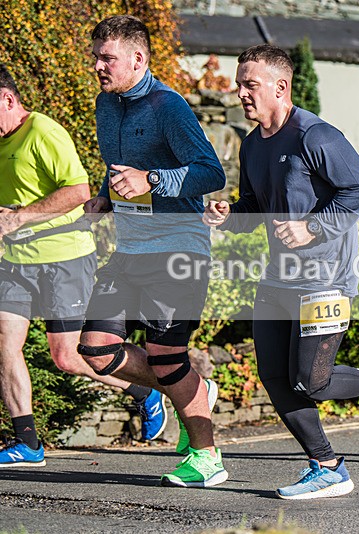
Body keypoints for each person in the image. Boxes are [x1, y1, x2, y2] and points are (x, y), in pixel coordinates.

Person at [203, 44, 359, 499]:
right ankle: (326, 465)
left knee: (311, 381)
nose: (241, 92)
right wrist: (232, 215)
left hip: (325, 278)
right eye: (239, 83)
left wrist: (314, 229)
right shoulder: (251, 144)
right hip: (276, 278)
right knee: (274, 376)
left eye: (251, 84)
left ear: (281, 87)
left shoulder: (315, 136)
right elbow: (259, 207)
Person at [79, 15, 227, 487]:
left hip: (177, 248)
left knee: (165, 356)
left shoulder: (169, 107)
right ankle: (194, 388)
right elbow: (121, 164)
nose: (98, 66)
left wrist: (153, 180)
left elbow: (211, 172)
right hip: (130, 247)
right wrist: (106, 194)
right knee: (96, 349)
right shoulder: (107, 104)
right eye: (96, 57)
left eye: (108, 58)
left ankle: (208, 458)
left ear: (138, 58)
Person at [0, 65, 168, 466]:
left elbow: (77, 191)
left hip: (63, 258)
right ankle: (28, 443)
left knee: (71, 357)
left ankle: (151, 391)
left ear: (7, 99)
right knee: (4, 348)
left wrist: (20, 216)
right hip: (14, 262)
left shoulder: (43, 132)